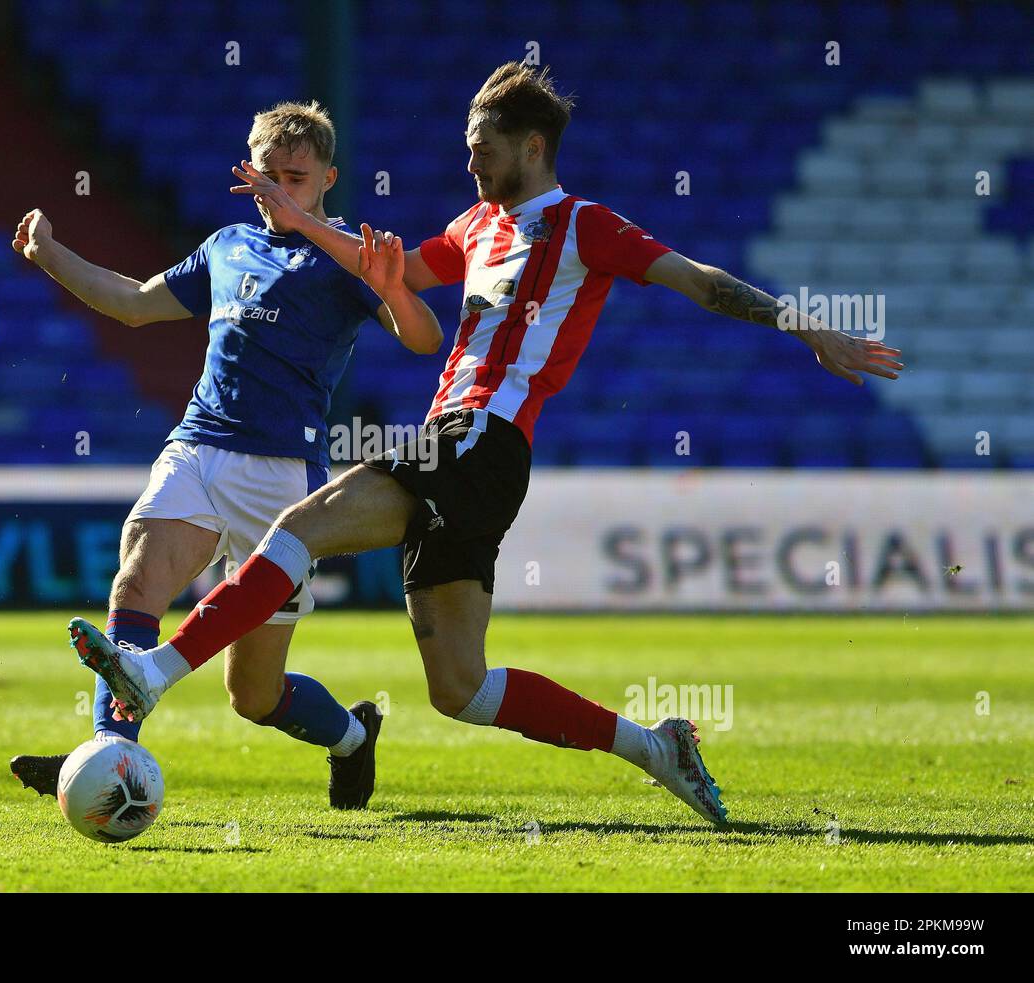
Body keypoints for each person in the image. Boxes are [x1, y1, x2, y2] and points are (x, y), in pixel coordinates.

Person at [69, 63, 903, 824]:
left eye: (483, 150)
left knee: (300, 529)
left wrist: (805, 327)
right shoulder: (475, 225)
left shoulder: (583, 225)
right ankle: (657, 746)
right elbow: (378, 267)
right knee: (459, 688)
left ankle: (155, 671)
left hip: (484, 436)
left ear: (531, 146)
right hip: (457, 444)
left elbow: (699, 281)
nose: (470, 164)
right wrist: (305, 223)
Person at [11, 100, 443, 810]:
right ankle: (109, 750)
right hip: (200, 445)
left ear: (328, 177)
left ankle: (352, 738)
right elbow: (134, 302)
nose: (277, 191)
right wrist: (49, 254)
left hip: (283, 477)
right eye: (266, 176)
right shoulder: (227, 245)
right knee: (136, 581)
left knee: (254, 695)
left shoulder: (345, 256)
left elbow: (423, 338)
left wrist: (389, 282)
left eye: (295, 178)